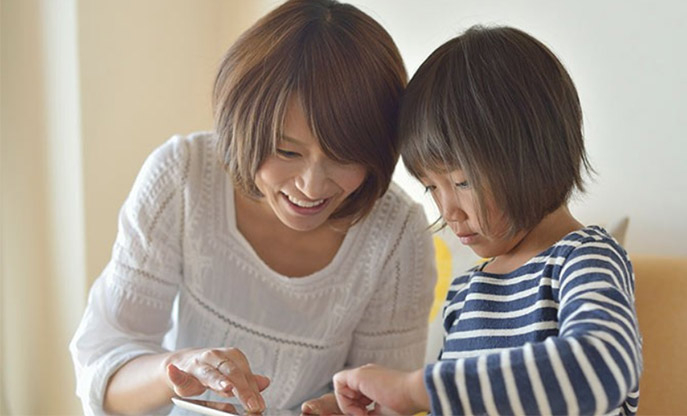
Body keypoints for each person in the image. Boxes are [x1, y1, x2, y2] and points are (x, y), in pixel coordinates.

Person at [69, 1, 437, 414]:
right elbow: (102, 372)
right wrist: (176, 370)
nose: (310, 186)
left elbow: (388, 402)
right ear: (242, 123)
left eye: (343, 157)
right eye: (285, 150)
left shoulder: (397, 234)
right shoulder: (183, 177)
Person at [332, 26, 642, 415]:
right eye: (431, 187)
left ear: (533, 155)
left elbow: (604, 365)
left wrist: (416, 389)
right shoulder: (466, 291)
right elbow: (459, 402)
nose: (448, 211)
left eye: (462, 181)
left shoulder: (583, 259)